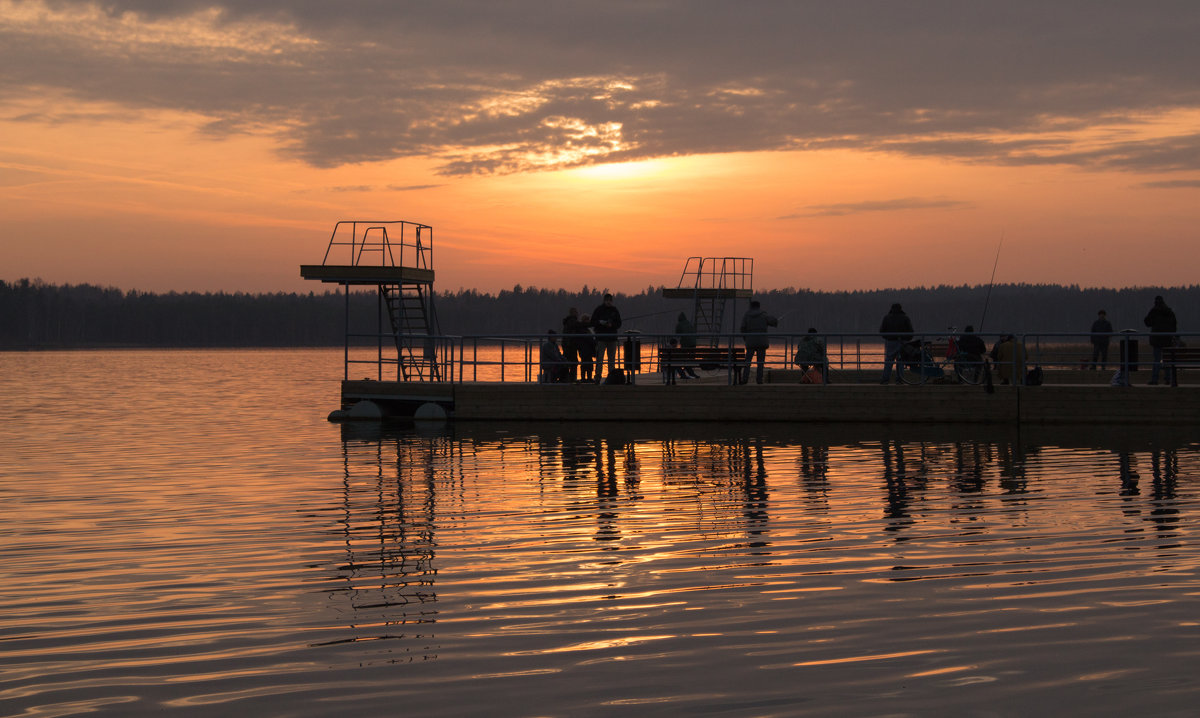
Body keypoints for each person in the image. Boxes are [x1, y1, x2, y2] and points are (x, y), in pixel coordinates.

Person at [739, 300, 778, 384]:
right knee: (760, 362)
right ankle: (759, 380)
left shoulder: (747, 315)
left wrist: (746, 338)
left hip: (750, 341)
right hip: (762, 342)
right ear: (759, 306)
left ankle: (745, 379)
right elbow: (773, 322)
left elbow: (742, 328)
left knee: (748, 362)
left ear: (751, 306)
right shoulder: (764, 315)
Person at [1144, 295, 1178, 385]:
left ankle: (1155, 379)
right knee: (1167, 360)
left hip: (1157, 340)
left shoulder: (1154, 311)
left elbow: (1147, 322)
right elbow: (1174, 325)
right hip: (1167, 339)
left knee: (1156, 360)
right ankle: (1168, 379)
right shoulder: (1169, 312)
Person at [590, 294, 622, 383]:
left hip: (612, 338)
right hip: (601, 338)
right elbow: (593, 322)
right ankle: (597, 377)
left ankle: (611, 378)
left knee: (611, 360)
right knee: (599, 359)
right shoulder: (599, 310)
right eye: (607, 300)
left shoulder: (615, 310)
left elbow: (619, 323)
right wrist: (601, 323)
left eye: (610, 300)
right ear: (604, 300)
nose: (608, 302)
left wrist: (612, 325)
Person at [879, 303, 914, 384]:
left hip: (890, 342)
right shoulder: (905, 318)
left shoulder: (887, 318)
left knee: (888, 361)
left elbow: (882, 331)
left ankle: (885, 379)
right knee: (901, 361)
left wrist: (888, 338)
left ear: (891, 309)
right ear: (901, 309)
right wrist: (906, 339)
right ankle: (899, 380)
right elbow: (911, 331)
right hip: (902, 342)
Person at [561, 307, 585, 381]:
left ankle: (565, 378)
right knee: (573, 362)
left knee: (567, 362)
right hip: (570, 345)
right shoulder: (572, 321)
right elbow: (578, 326)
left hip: (567, 345)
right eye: (576, 312)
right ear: (573, 313)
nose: (577, 313)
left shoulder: (568, 321)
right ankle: (571, 379)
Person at [673, 312, 700, 379]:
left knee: (678, 360)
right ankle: (691, 374)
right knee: (685, 360)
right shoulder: (689, 323)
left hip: (685, 345)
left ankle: (683, 375)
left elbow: (677, 334)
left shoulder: (679, 324)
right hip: (693, 345)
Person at [577, 313, 596, 382]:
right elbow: (588, 338)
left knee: (588, 364)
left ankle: (588, 378)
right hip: (585, 349)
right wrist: (594, 342)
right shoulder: (583, 329)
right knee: (586, 364)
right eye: (587, 319)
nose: (589, 321)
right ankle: (585, 378)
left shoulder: (585, 328)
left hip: (586, 349)